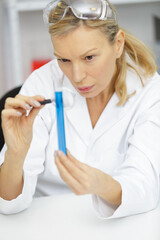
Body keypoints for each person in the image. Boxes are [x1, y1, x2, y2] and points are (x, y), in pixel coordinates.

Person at [0, 0, 160, 219]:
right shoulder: (42, 83)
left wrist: (101, 185)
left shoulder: (149, 90)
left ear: (118, 44)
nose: (76, 76)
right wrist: (15, 156)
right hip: (45, 223)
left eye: (89, 58)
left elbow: (145, 186)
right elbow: (8, 204)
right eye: (64, 59)